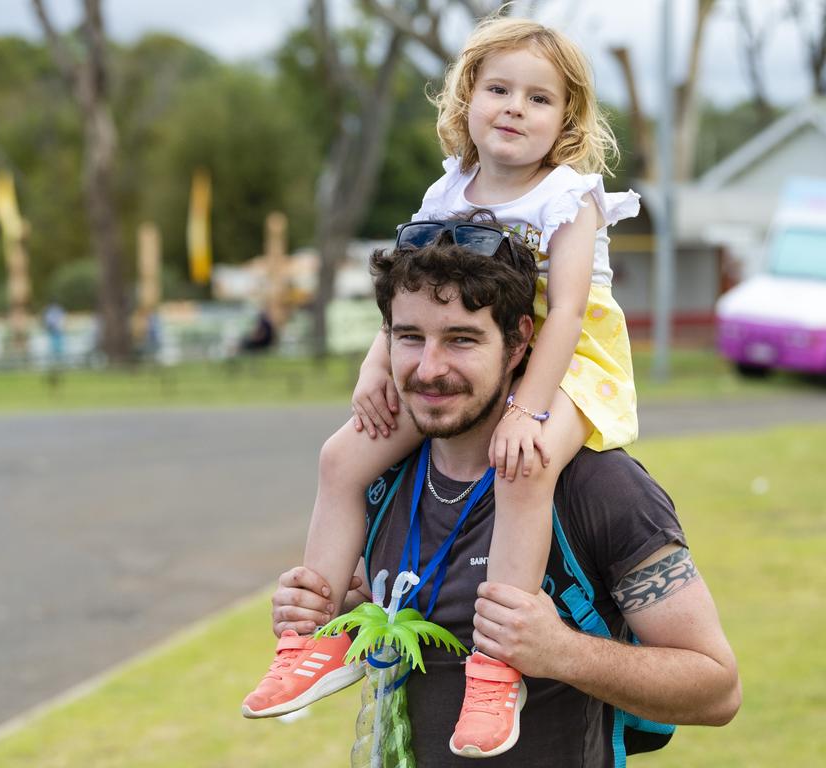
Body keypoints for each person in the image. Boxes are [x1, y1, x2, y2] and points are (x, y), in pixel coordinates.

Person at [244, 15, 643, 757]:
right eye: (498, 89)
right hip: (467, 358)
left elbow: (565, 320)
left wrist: (528, 408)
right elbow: (413, 293)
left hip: (567, 359)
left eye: (539, 98)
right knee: (342, 455)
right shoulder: (450, 187)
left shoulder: (570, 196)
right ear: (467, 101)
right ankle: (318, 635)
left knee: (522, 465)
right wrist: (376, 369)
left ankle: (497, 667)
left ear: (566, 120)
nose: (515, 108)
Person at [255, 233, 741, 766]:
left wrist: (561, 652)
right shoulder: (381, 477)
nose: (429, 367)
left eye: (461, 340)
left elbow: (717, 688)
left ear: (516, 344)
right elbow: (421, 603)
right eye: (410, 337)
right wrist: (342, 612)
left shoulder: (596, 486)